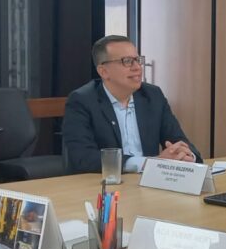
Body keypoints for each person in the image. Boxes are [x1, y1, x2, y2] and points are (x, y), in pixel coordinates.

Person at [63, 35, 201, 174]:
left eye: (137, 60)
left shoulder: (152, 95)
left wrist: (187, 156)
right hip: (105, 182)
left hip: (149, 180)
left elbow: (177, 139)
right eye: (127, 61)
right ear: (103, 71)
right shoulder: (82, 101)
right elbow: (83, 157)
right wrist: (149, 164)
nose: (137, 67)